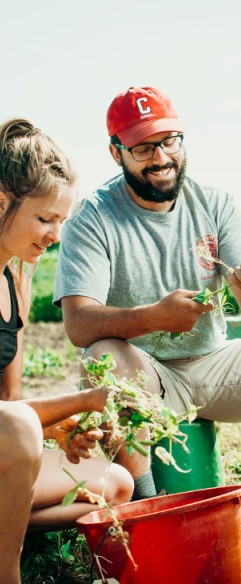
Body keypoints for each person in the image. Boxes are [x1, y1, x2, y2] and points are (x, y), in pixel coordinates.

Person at [53, 86, 241, 499]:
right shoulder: (92, 217)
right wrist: (154, 318)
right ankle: (146, 508)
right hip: (145, 373)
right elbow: (78, 323)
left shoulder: (217, 204)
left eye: (169, 142)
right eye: (144, 149)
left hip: (215, 364)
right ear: (116, 153)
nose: (161, 158)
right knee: (103, 358)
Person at [0, 118, 133, 584]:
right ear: (1, 201)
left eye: (62, 220)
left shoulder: (14, 284)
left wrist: (56, 429)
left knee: (116, 484)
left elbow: (11, 408)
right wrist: (83, 400)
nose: (56, 235)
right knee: (19, 428)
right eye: (44, 218)